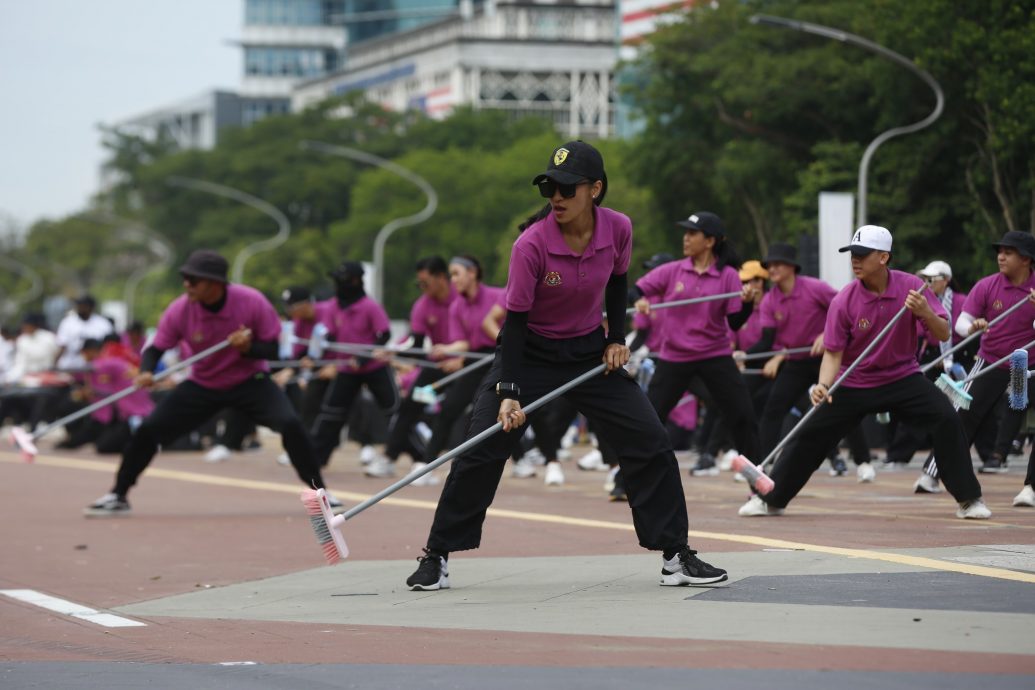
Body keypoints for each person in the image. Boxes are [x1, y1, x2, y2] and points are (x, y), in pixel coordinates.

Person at [405, 140, 728, 591]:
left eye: (567, 188)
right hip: (529, 354)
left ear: (595, 189)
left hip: (586, 354)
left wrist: (616, 338)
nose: (556, 197)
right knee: (481, 448)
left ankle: (676, 554)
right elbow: (514, 325)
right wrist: (510, 391)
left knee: (650, 440)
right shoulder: (531, 245)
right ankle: (436, 554)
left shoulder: (618, 228)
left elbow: (619, 285)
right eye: (549, 188)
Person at [738, 225, 990, 520]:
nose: (854, 260)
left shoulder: (912, 287)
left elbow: (943, 331)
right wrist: (822, 385)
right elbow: (832, 353)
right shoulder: (844, 299)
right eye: (852, 254)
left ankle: (969, 499)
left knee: (946, 418)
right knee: (810, 433)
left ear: (883, 257)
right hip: (855, 381)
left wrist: (924, 311)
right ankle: (770, 498)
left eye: (862, 254)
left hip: (902, 377)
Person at [84, 250, 337, 516]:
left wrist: (248, 348)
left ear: (215, 282)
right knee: (149, 430)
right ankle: (118, 494)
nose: (187, 285)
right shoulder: (181, 308)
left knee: (290, 424)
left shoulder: (251, 301)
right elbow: (155, 348)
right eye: (185, 278)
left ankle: (320, 491)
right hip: (204, 383)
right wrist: (146, 371)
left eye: (193, 280)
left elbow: (273, 351)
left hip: (250, 380)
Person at [633, 211, 760, 475]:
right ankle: (628, 478)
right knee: (650, 418)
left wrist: (747, 303)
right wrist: (639, 301)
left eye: (692, 233)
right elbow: (638, 289)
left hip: (714, 355)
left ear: (710, 241)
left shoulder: (727, 276)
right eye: (686, 233)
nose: (686, 238)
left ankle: (756, 479)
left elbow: (735, 322)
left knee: (742, 415)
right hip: (674, 357)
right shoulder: (672, 270)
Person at [914, 233, 1035, 493]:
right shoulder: (987, 285)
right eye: (999, 251)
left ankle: (1030, 486)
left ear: (1026, 259)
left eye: (1009, 252)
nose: (1000, 257)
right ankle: (931, 474)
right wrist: (973, 328)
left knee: (1016, 410)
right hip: (991, 360)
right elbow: (961, 322)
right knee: (962, 417)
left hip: (1026, 365)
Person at [366, 256, 457, 484]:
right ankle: (390, 458)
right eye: (419, 284)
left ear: (441, 277)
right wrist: (393, 351)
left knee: (470, 410)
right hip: (438, 369)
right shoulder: (423, 305)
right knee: (410, 407)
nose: (422, 288)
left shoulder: (462, 297)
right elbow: (416, 344)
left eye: (425, 282)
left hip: (468, 367)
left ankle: (524, 456)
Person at [308, 261, 400, 470]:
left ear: (355, 281)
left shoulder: (369, 306)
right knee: (331, 412)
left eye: (342, 281)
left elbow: (383, 334)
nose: (338, 285)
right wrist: (313, 355)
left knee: (393, 411)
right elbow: (329, 335)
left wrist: (364, 358)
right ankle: (316, 457)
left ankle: (418, 457)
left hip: (374, 368)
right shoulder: (333, 305)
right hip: (347, 369)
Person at [56, 338, 153, 453]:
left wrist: (89, 392)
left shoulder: (106, 363)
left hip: (132, 414)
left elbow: (99, 385)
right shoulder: (114, 361)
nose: (83, 356)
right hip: (127, 411)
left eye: (84, 352)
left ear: (92, 351)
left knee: (103, 446)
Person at [55, 295, 114, 370]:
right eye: (79, 305)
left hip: (97, 365)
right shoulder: (68, 322)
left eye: (83, 306)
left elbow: (109, 346)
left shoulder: (103, 323)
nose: (80, 308)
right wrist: (55, 363)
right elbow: (62, 345)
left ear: (91, 307)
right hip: (71, 364)